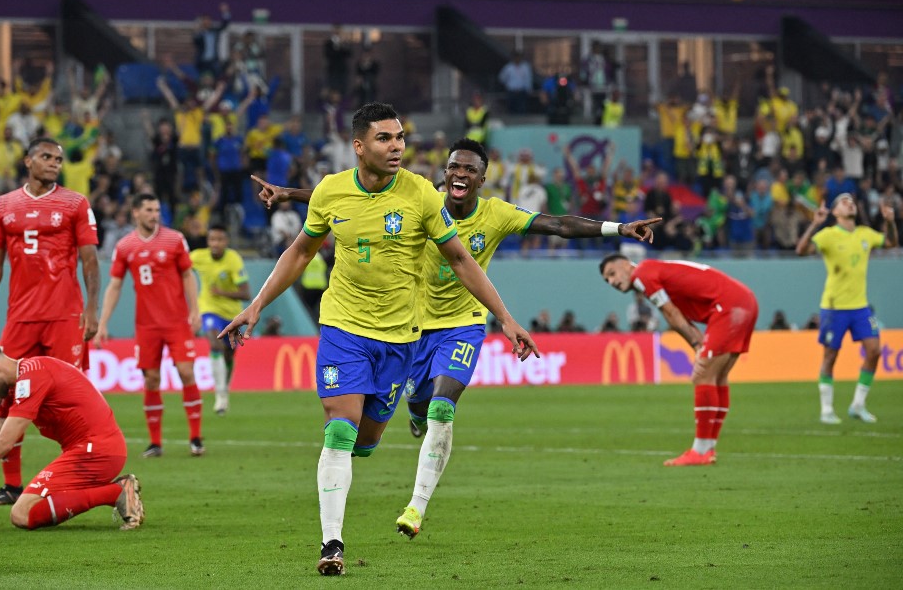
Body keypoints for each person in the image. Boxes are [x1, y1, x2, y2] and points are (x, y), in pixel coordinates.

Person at [254, 137, 658, 543]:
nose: (460, 174)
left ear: (482, 179)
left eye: (469, 170)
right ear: (445, 174)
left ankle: (416, 506)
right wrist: (290, 194)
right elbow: (351, 196)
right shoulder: (420, 200)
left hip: (463, 323)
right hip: (411, 327)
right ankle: (415, 414)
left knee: (442, 408)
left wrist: (619, 228)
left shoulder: (496, 214)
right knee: (415, 410)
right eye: (454, 168)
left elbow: (557, 224)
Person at [223, 104, 540, 576]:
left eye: (400, 138)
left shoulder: (420, 195)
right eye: (385, 139)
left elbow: (460, 259)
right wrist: (256, 305)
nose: (396, 147)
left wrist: (505, 318)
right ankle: (332, 544)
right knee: (339, 430)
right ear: (359, 146)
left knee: (366, 440)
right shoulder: (331, 192)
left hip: (398, 340)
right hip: (342, 328)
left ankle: (360, 448)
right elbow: (300, 252)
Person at [0, 137, 101, 507]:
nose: (54, 163)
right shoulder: (2, 206)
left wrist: (92, 310)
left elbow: (89, 260)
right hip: (21, 317)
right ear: (27, 160)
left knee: (70, 400)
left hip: (65, 315)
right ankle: (11, 485)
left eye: (58, 159)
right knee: (8, 396)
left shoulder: (75, 203)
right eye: (46, 157)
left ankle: (80, 474)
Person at [0, 337, 143, 532]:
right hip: (91, 451)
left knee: (22, 514)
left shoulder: (33, 377)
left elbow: (4, 442)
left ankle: (117, 491)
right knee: (27, 511)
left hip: (96, 452)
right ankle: (117, 491)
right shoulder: (19, 382)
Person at [600, 254, 759, 466]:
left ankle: (700, 451)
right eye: (607, 280)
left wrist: (696, 345)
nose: (612, 282)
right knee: (717, 377)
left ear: (626, 265)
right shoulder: (653, 271)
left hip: (727, 305)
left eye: (612, 274)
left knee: (702, 376)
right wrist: (698, 343)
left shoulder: (642, 274)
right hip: (743, 300)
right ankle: (708, 448)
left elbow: (671, 313)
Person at [96, 193, 203, 457]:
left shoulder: (175, 239)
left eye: (157, 209)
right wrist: (102, 323)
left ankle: (196, 437)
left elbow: (188, 275)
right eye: (149, 210)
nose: (155, 214)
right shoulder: (124, 246)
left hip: (177, 320)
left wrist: (195, 309)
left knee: (186, 372)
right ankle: (155, 442)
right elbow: (115, 285)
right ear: (136, 213)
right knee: (152, 379)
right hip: (146, 326)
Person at [795, 194, 897, 424]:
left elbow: (891, 243)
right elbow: (801, 250)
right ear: (835, 212)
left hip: (860, 307)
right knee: (830, 356)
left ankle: (858, 405)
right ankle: (827, 410)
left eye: (852, 200)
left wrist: (889, 221)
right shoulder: (829, 235)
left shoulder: (865, 234)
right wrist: (815, 223)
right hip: (834, 308)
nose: (850, 202)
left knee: (874, 351)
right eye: (843, 201)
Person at [188, 224, 250, 416]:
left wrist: (221, 292)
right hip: (208, 310)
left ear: (226, 241)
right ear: (208, 241)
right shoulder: (198, 256)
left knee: (229, 355)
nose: (215, 244)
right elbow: (179, 265)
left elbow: (245, 293)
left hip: (232, 315)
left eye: (219, 240)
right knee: (214, 345)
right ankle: (220, 394)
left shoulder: (233, 260)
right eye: (212, 240)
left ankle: (224, 389)